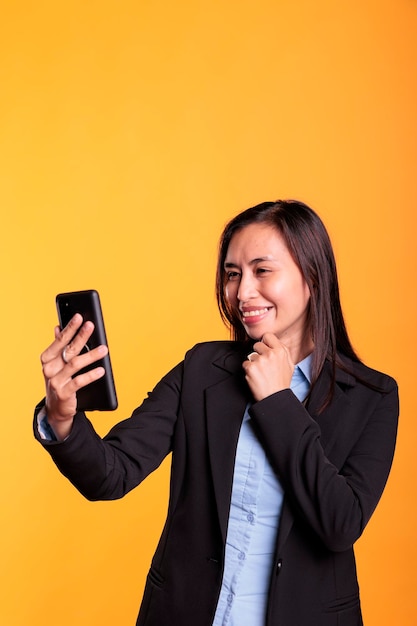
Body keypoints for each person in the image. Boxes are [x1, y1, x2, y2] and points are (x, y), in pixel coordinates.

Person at [34, 200, 399, 626]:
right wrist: (62, 417)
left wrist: (278, 402)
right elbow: (111, 474)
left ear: (313, 278)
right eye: (232, 274)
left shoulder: (373, 396)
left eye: (262, 271)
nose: (242, 292)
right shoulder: (201, 370)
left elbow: (340, 523)